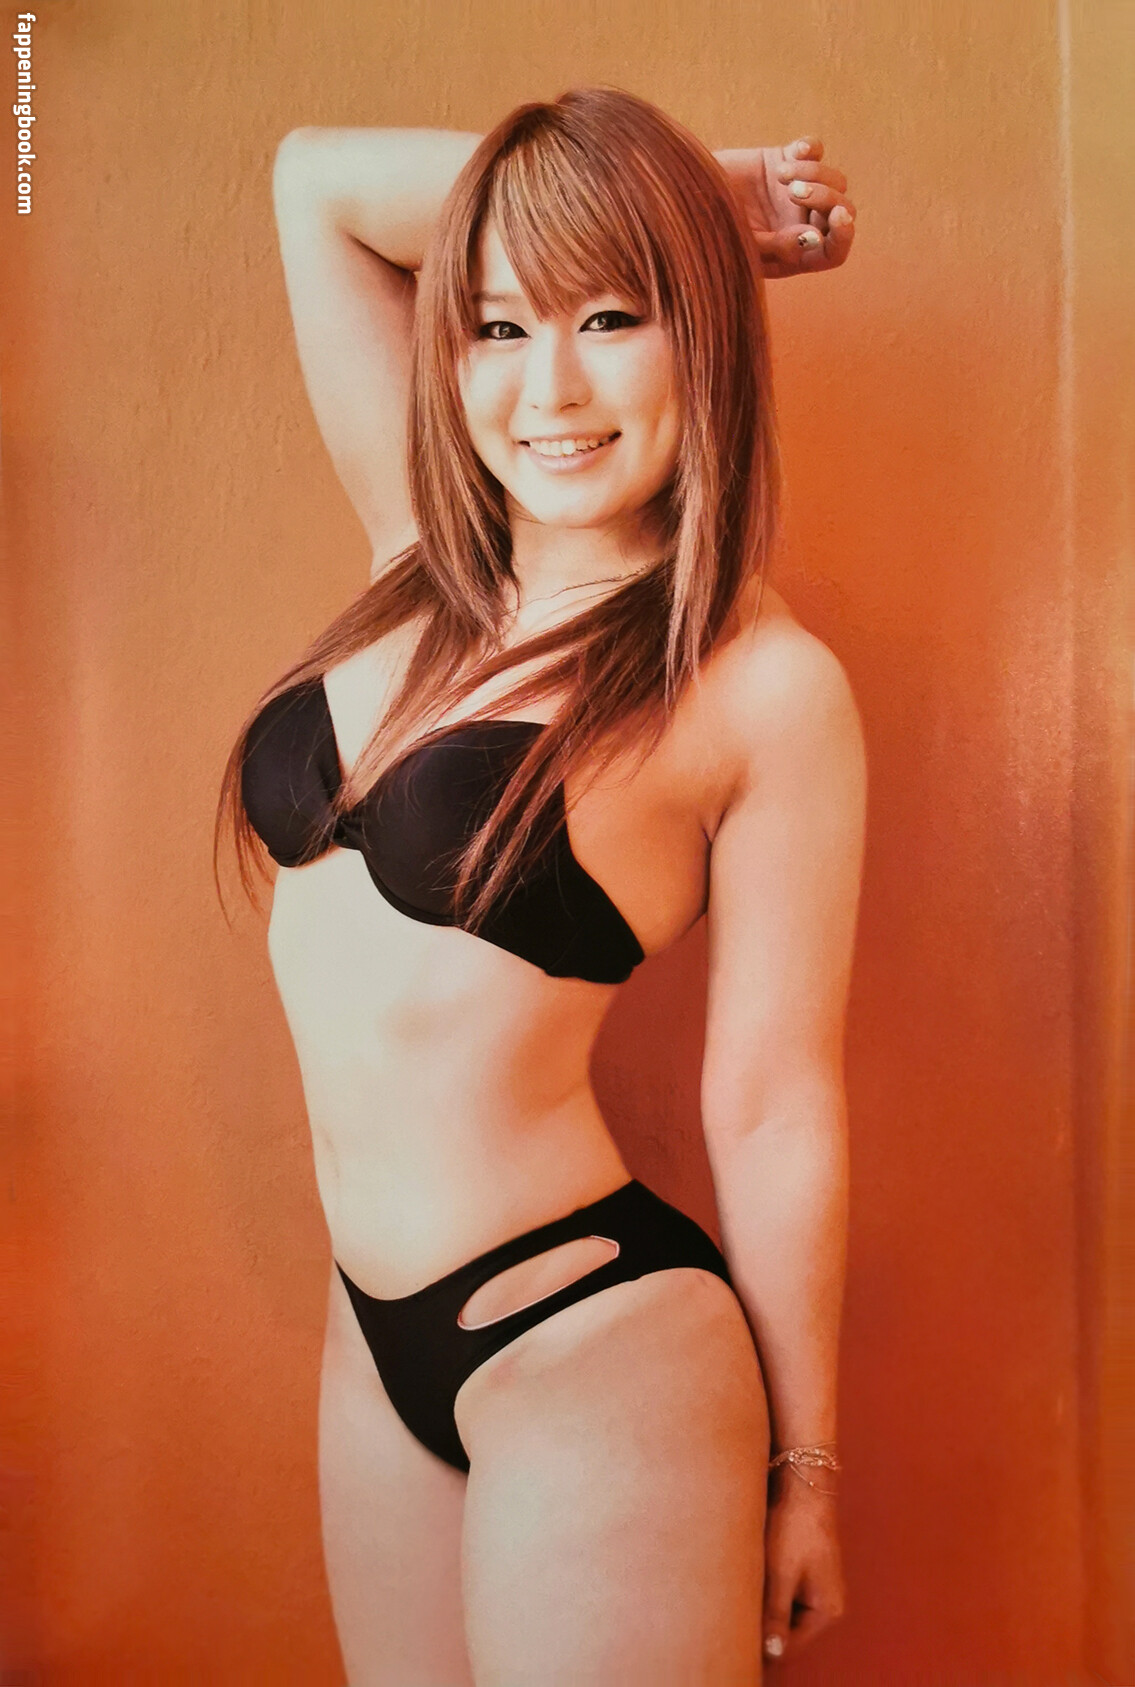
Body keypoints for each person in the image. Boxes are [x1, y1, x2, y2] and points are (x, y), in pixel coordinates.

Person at [217, 85, 866, 1687]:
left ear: (700, 338)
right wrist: (692, 200)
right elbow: (313, 179)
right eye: (500, 325)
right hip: (373, 1335)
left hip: (591, 1345)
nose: (549, 387)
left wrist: (806, 1468)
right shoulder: (416, 553)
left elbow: (773, 1104)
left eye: (613, 316)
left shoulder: (759, 685)